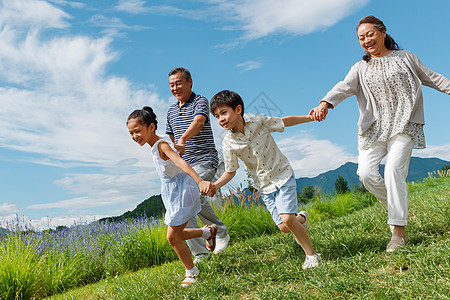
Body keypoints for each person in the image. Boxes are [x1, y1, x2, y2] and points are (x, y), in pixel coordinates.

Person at [310, 15, 450, 252]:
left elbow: (432, 78)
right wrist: (325, 103)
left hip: (404, 122)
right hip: (373, 127)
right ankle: (397, 205)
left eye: (370, 34)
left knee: (394, 169)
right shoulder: (360, 68)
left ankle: (398, 233)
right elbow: (343, 87)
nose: (366, 40)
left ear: (383, 32)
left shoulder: (406, 58)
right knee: (365, 174)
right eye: (361, 38)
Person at [210, 90, 321, 269]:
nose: (221, 119)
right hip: (264, 185)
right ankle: (301, 218)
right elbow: (230, 171)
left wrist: (309, 117)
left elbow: (284, 121)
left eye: (224, 112)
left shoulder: (258, 121)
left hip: (282, 174)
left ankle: (312, 256)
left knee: (287, 219)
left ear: (238, 109)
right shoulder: (228, 143)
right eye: (217, 116)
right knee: (285, 226)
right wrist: (215, 186)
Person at [127, 106, 218, 287]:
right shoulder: (158, 141)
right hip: (172, 191)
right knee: (177, 233)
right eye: (131, 133)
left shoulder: (161, 144)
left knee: (172, 237)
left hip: (182, 189)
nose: (135, 136)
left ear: (151, 127)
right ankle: (207, 232)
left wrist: (200, 181)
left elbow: (179, 161)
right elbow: (174, 152)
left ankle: (192, 272)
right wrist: (177, 147)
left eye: (138, 131)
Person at [166, 67, 230, 262]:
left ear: (189, 82)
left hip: (205, 159)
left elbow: (199, 122)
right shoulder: (170, 111)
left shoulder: (199, 100)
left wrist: (183, 139)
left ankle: (219, 231)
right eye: (171, 85)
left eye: (178, 83)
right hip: (185, 166)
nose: (175, 88)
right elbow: (170, 137)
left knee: (191, 193)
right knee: (183, 205)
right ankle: (201, 252)